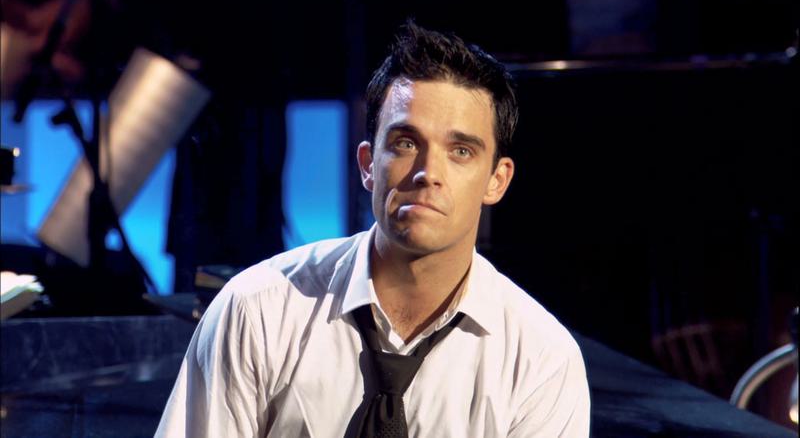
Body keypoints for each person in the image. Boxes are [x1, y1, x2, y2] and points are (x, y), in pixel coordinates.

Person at [156, 21, 590, 437]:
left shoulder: (540, 358)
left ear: (497, 180)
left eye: (460, 151)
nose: (428, 172)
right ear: (367, 164)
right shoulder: (258, 310)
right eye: (406, 143)